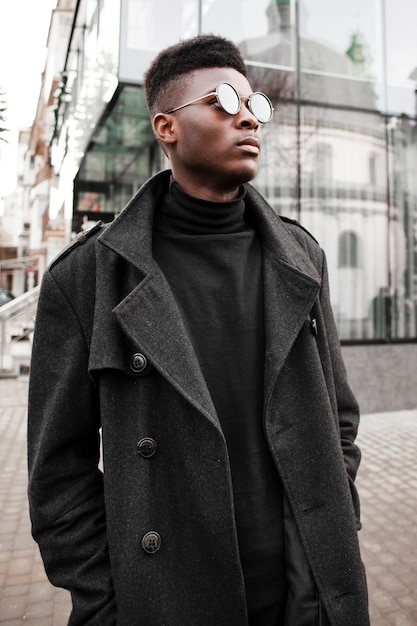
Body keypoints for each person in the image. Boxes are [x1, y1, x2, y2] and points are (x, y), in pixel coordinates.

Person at [27, 34, 369, 626]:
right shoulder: (87, 277)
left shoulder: (299, 254)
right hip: (171, 598)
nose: (247, 115)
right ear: (166, 127)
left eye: (255, 104)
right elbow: (57, 475)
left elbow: (337, 412)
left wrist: (335, 516)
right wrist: (112, 602)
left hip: (308, 592)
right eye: (224, 99)